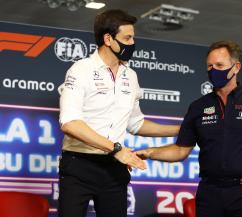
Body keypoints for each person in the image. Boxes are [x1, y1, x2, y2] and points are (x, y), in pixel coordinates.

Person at [136, 40, 242, 217]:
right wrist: (149, 152)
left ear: (236, 67)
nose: (213, 70)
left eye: (219, 65)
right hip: (209, 192)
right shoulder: (198, 107)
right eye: (209, 66)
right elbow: (180, 150)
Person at [58, 9, 180, 217]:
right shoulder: (80, 70)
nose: (132, 43)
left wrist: (180, 129)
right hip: (79, 165)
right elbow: (69, 122)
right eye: (127, 38)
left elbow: (136, 124)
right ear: (108, 39)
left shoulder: (130, 75)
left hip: (114, 168)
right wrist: (116, 149)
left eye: (133, 37)